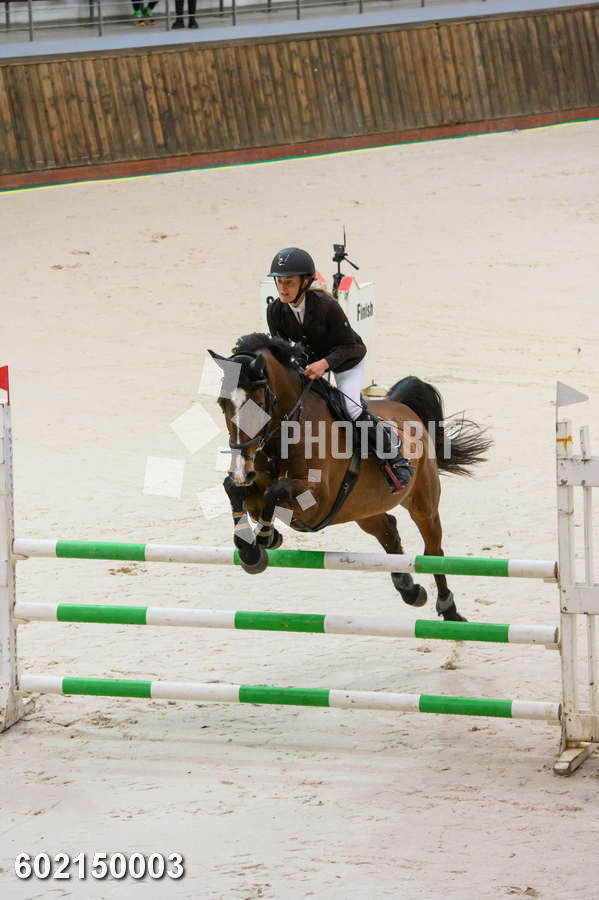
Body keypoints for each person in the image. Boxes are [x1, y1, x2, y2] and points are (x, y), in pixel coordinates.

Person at [266, 247, 412, 491]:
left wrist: (325, 364)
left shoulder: (326, 306)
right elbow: (281, 350)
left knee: (351, 408)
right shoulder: (275, 311)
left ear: (305, 282)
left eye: (289, 282)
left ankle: (395, 459)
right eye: (279, 282)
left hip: (346, 361)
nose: (283, 288)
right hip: (309, 366)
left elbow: (352, 348)